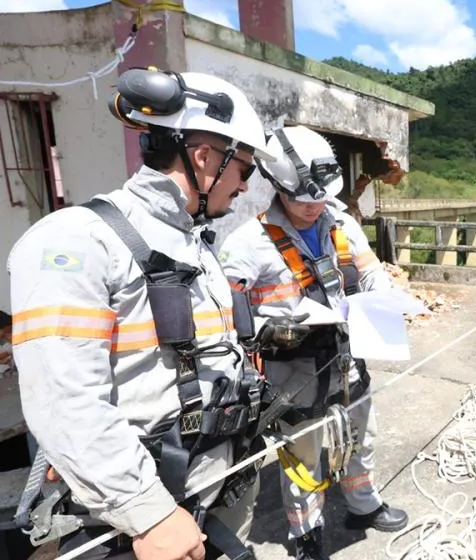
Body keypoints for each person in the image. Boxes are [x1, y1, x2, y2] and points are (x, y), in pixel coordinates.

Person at [6, 67, 300, 560]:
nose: (246, 187)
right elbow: (65, 400)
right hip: (140, 521)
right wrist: (149, 513)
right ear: (205, 157)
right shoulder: (78, 240)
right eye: (244, 169)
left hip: (216, 486)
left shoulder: (195, 243)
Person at [220, 125, 408, 560]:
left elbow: (369, 270)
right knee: (303, 455)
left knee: (362, 435)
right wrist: (270, 325)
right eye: (305, 199)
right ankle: (306, 531)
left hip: (347, 355)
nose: (314, 206)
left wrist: (384, 295)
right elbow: (226, 311)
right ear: (279, 188)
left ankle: (364, 504)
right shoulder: (247, 243)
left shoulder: (341, 224)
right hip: (293, 367)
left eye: (321, 196)